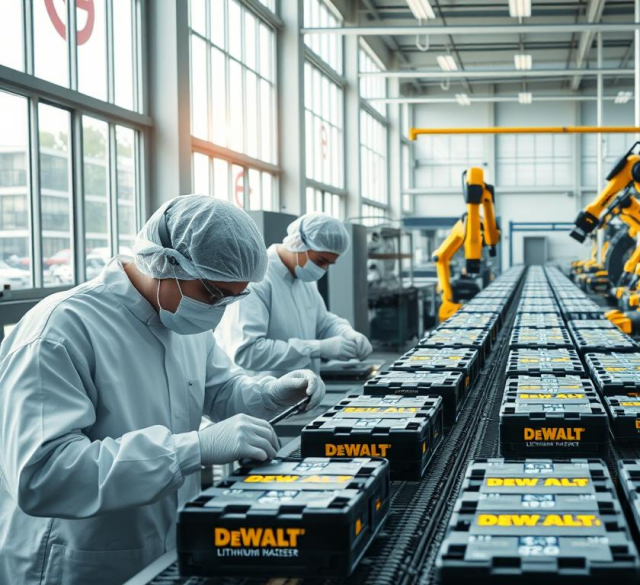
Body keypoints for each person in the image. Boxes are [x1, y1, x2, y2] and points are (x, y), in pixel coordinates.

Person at [0, 195, 327, 585]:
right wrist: (194, 448)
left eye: (232, 298)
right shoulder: (60, 331)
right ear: (167, 262)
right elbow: (44, 475)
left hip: (165, 545)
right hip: (76, 559)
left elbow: (221, 390)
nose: (219, 310)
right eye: (213, 294)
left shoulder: (183, 320)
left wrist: (271, 394)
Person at [217, 212, 373, 377]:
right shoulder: (256, 280)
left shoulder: (303, 278)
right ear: (298, 243)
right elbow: (247, 352)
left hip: (301, 393)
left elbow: (322, 321)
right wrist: (316, 348)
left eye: (329, 264)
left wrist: (346, 332)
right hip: (258, 395)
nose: (324, 269)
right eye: (321, 261)